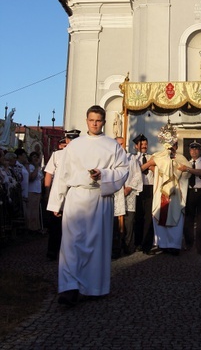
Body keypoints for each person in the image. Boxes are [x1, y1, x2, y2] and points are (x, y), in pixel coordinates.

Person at [47, 105, 128, 306]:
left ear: (104, 122)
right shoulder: (75, 145)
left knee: (96, 245)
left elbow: (123, 170)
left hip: (100, 198)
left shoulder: (112, 146)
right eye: (91, 120)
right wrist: (57, 202)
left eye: (98, 120)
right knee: (71, 244)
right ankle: (69, 288)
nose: (94, 123)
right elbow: (62, 174)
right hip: (76, 197)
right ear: (86, 121)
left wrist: (104, 174)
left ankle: (94, 287)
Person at [151, 124, 190, 255]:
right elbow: (151, 166)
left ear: (176, 146)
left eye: (173, 144)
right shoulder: (159, 156)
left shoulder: (181, 158)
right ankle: (163, 244)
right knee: (161, 216)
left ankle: (174, 245)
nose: (171, 147)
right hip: (162, 193)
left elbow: (187, 173)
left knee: (176, 218)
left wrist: (175, 167)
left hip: (175, 194)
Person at [44, 130, 80, 260]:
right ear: (67, 141)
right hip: (58, 195)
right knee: (56, 226)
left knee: (73, 227)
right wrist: (47, 192)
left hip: (75, 196)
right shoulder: (57, 155)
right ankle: (53, 252)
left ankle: (70, 253)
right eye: (71, 140)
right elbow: (49, 173)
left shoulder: (81, 156)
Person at [183, 141, 201, 255]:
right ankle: (189, 243)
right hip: (190, 192)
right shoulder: (187, 163)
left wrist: (188, 169)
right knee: (188, 220)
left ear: (200, 150)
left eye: (196, 149)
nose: (194, 151)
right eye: (192, 149)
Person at [133, 134, 156, 254]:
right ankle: (137, 243)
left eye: (145, 144)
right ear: (136, 146)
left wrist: (152, 166)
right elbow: (136, 171)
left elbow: (157, 170)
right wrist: (148, 164)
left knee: (148, 217)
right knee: (138, 216)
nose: (144, 146)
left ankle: (147, 245)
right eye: (142, 144)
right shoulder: (132, 158)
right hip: (137, 188)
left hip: (149, 187)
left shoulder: (152, 156)